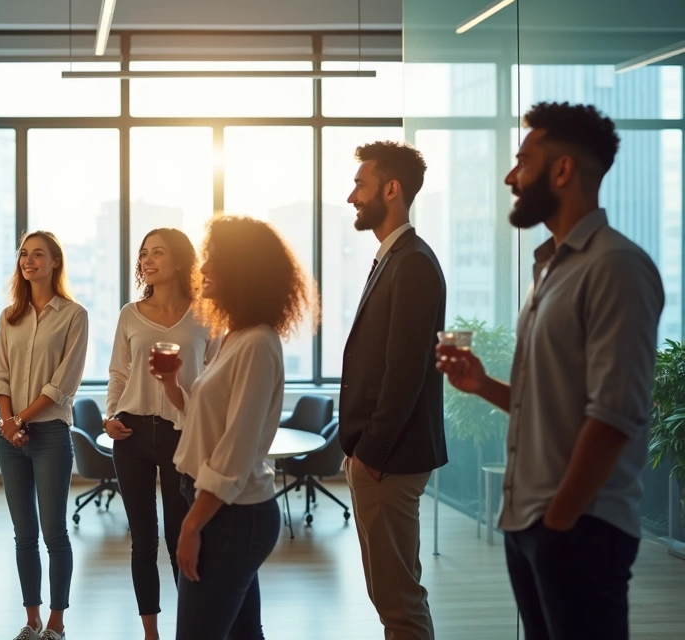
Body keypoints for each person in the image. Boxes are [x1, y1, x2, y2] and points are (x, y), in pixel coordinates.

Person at [438, 102, 663, 640]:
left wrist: (559, 523)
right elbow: (555, 404)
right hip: (532, 523)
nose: (510, 176)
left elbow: (614, 417)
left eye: (523, 160)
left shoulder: (615, 267)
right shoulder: (551, 267)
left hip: (579, 527)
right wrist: (483, 384)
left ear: (562, 170)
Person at [161, 215, 316, 640]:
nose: (203, 268)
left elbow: (236, 449)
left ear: (243, 270)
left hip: (232, 516)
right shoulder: (233, 336)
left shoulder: (258, 343)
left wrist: (191, 525)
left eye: (214, 259)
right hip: (220, 508)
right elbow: (202, 418)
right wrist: (172, 384)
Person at [339, 140, 446, 640]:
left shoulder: (413, 263)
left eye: (360, 184)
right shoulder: (393, 258)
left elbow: (405, 373)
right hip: (379, 457)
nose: (352, 196)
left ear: (392, 188)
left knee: (398, 599)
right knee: (390, 594)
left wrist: (372, 456)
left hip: (390, 460)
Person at [103, 228, 208, 640]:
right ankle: (151, 633)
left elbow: (215, 377)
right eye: (143, 253)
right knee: (143, 540)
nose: (147, 260)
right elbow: (118, 373)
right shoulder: (130, 313)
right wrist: (110, 415)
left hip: (183, 434)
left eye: (157, 253)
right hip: (130, 433)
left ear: (180, 260)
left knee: (182, 536)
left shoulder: (205, 314)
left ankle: (191, 629)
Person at [0, 231, 89, 640]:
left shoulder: (74, 315)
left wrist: (20, 421)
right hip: (10, 439)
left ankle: (56, 622)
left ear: (54, 263)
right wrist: (7, 420)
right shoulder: (9, 316)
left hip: (48, 437)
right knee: (24, 535)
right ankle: (31, 620)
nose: (28, 260)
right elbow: (0, 375)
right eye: (23, 254)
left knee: (54, 533)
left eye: (38, 254)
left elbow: (63, 383)